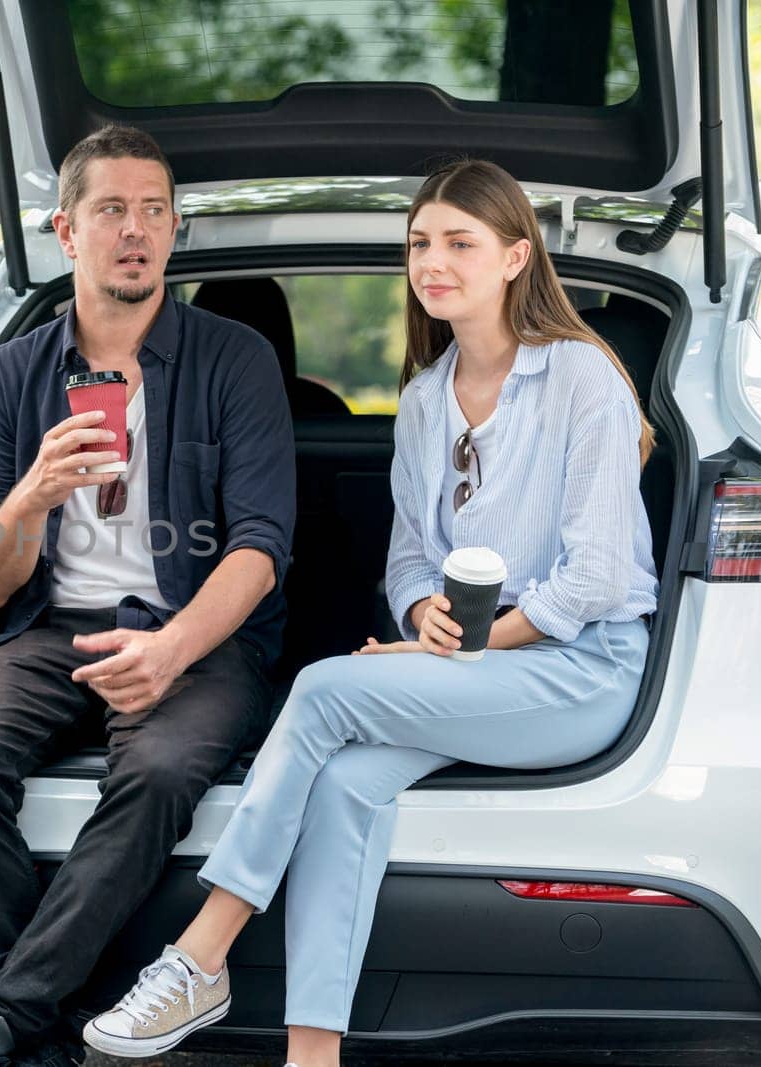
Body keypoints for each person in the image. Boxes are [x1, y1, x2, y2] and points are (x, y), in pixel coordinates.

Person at [84, 158, 660, 1067]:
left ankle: (200, 956)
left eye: (460, 243)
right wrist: (426, 614)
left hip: (581, 669)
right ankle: (312, 1057)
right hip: (480, 666)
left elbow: (589, 583)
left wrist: (448, 649)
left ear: (516, 257)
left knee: (320, 690)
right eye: (422, 242)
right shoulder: (426, 398)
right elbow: (406, 561)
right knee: (348, 785)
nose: (433, 261)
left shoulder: (582, 378)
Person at [0, 125, 296, 1067]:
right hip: (55, 632)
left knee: (163, 771)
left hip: (201, 637)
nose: (136, 230)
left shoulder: (234, 359)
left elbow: (261, 549)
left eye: (155, 210)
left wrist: (171, 651)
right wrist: (32, 495)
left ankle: (3, 1016)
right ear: (67, 231)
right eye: (112, 209)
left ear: (173, 230)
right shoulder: (11, 372)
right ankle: (35, 1029)